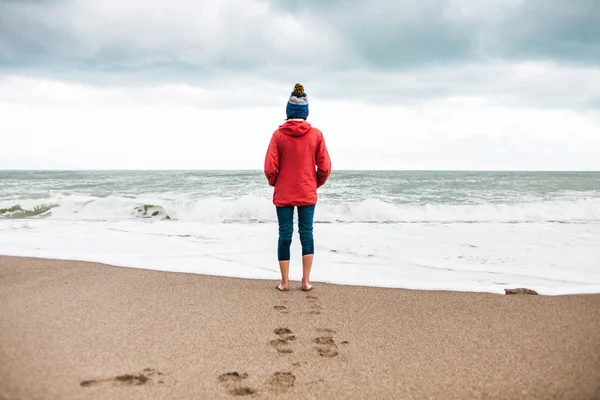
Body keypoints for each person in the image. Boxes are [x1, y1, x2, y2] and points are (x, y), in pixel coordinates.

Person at [264, 83, 332, 292]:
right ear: (305, 112)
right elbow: (325, 167)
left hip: (284, 192)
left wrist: (276, 181)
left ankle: (284, 282)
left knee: (285, 234)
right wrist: (315, 182)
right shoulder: (316, 135)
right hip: (306, 191)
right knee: (306, 234)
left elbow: (269, 167)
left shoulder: (278, 135)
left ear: (288, 112)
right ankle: (305, 281)